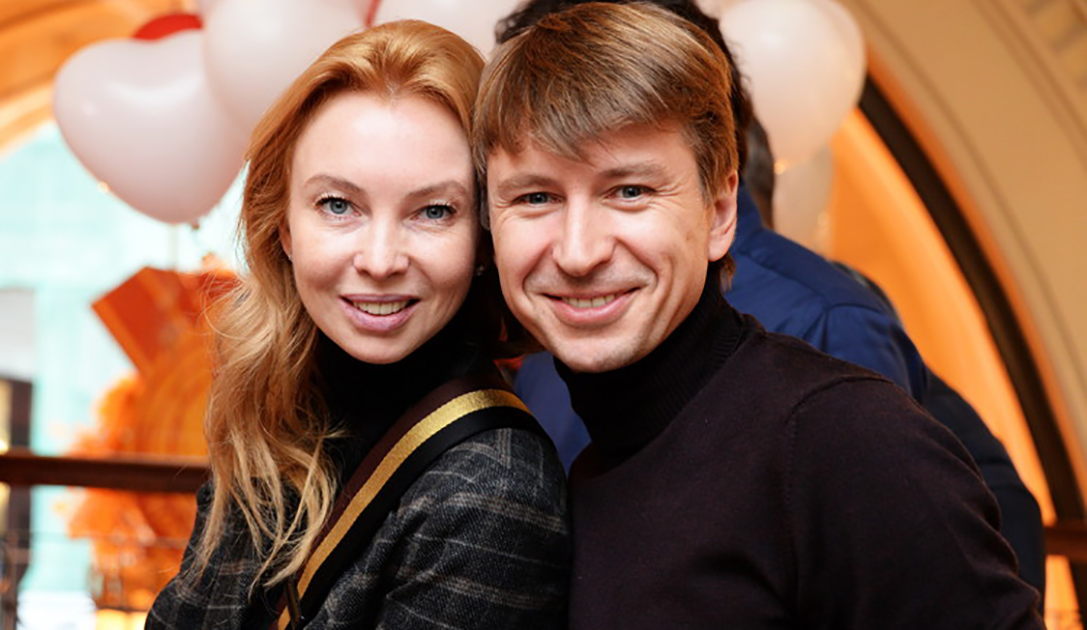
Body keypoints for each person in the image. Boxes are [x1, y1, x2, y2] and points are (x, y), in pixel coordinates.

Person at [474, 3, 1043, 627]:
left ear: (720, 213)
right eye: (536, 197)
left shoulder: (841, 439)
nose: (578, 252)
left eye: (630, 191)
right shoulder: (588, 461)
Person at [147, 20, 569, 630]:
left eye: (433, 211)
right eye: (338, 205)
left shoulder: (494, 489)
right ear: (284, 226)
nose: (379, 260)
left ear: (483, 239)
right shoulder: (279, 412)